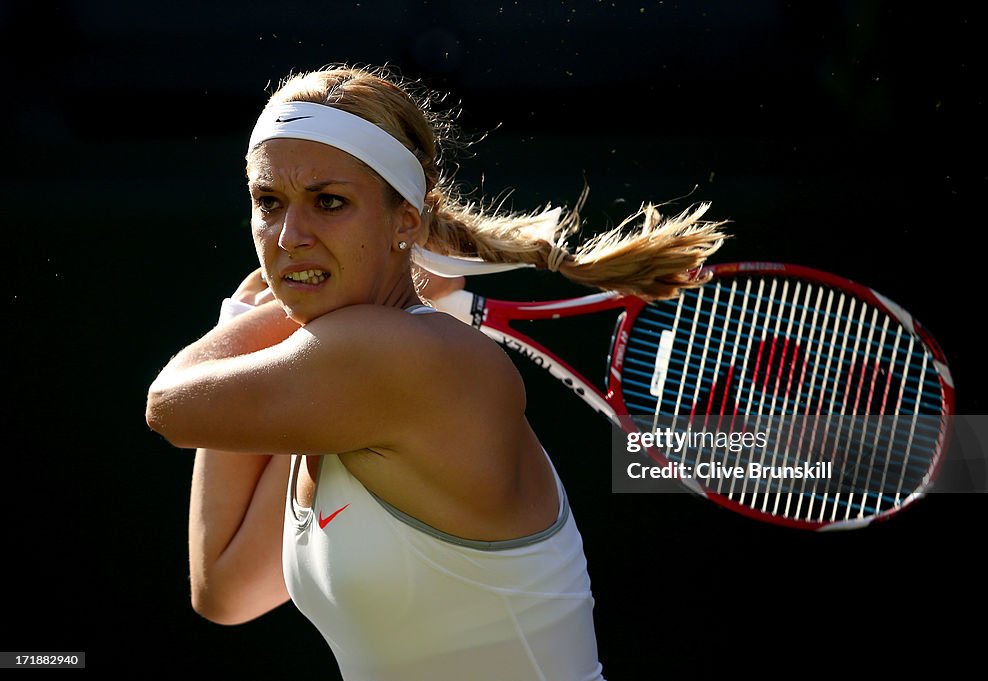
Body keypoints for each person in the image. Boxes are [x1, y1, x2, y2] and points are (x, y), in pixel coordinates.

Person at [146, 63, 726, 681]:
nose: (290, 235)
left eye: (329, 202)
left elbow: (170, 404)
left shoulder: (396, 357)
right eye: (270, 203)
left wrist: (256, 306)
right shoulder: (340, 382)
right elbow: (226, 588)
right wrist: (290, 306)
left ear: (407, 221)